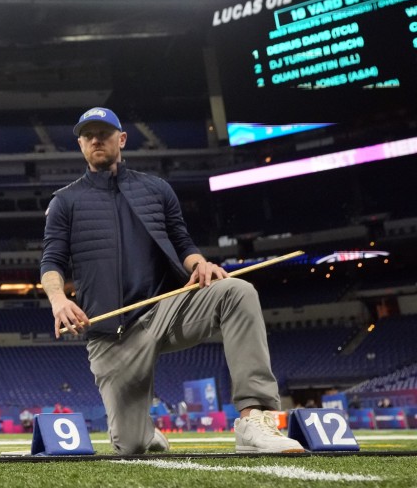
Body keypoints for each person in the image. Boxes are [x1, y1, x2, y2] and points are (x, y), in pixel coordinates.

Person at [40, 107, 305, 456]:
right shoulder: (65, 201)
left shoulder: (156, 189)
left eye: (103, 133)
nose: (95, 140)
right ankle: (146, 431)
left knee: (237, 292)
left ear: (121, 139)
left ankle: (253, 418)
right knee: (131, 445)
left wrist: (200, 263)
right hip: (112, 334)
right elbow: (52, 260)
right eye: (88, 135)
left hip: (165, 310)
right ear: (80, 145)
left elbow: (182, 243)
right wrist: (59, 300)